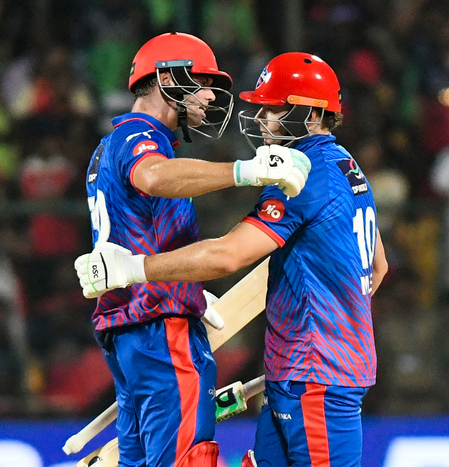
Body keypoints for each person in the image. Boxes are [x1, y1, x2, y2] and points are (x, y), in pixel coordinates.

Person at [75, 52, 388, 467]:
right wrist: (335, 321)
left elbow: (227, 255)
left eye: (273, 109)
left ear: (311, 114)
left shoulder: (302, 173)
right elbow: (377, 267)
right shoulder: (348, 167)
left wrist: (135, 269)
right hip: (304, 371)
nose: (261, 119)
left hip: (315, 375)